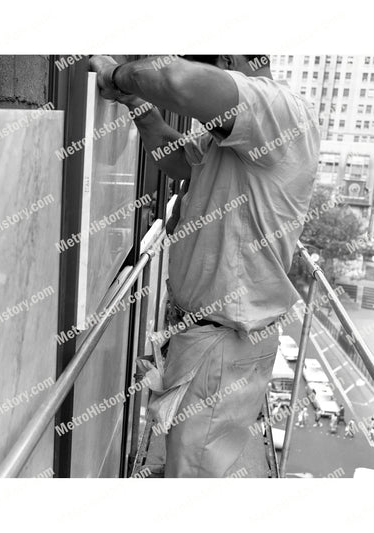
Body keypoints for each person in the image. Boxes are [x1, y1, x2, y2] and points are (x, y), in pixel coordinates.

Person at [90, 54, 320, 477]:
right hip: (207, 341)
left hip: (221, 345)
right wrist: (134, 101)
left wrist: (114, 73)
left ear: (231, 58)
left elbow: (176, 79)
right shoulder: (229, 142)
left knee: (191, 481)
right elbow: (173, 157)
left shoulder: (279, 110)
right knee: (188, 466)